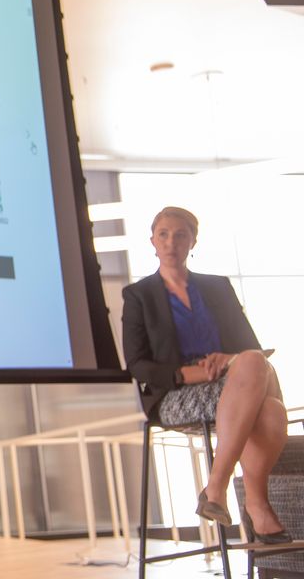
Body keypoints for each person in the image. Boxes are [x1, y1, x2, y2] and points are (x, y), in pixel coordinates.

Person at [122, 206, 288, 544]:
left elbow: (249, 347)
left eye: (180, 234)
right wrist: (191, 374)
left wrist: (228, 360)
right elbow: (137, 364)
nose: (171, 242)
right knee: (265, 394)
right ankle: (247, 501)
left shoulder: (217, 287)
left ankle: (220, 492)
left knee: (266, 394)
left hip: (232, 382)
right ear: (152, 242)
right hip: (175, 393)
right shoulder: (139, 295)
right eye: (163, 234)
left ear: (193, 241)